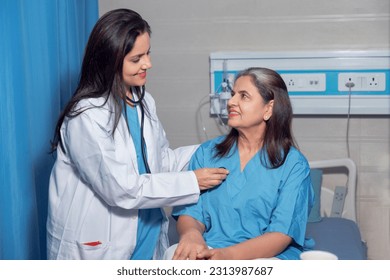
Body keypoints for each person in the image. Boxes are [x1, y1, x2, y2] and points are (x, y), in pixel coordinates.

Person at [46, 8, 228, 260]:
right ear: (109, 60)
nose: (148, 64)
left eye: (148, 53)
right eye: (137, 58)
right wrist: (192, 181)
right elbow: (120, 188)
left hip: (147, 234)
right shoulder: (86, 116)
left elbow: (161, 162)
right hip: (100, 246)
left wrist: (217, 147)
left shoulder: (142, 101)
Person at [166, 67, 315, 260]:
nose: (231, 102)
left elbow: (281, 233)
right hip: (210, 248)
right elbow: (191, 212)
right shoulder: (207, 153)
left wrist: (227, 256)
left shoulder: (294, 165)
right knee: (173, 256)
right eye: (233, 94)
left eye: (244, 96)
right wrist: (191, 235)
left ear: (268, 109)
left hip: (269, 256)